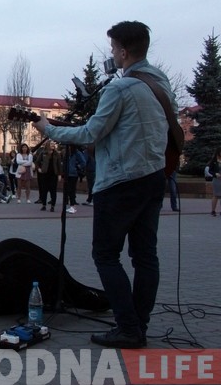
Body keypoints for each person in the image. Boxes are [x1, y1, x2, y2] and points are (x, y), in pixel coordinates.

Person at [32, 20, 177, 349]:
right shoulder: (159, 81)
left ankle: (127, 327)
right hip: (154, 177)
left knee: (106, 255)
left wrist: (48, 129)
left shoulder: (120, 88)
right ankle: (138, 324)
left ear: (124, 51)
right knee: (145, 257)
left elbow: (89, 133)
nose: (111, 54)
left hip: (122, 182)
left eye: (113, 49)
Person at [36, 141, 61, 212]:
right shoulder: (43, 153)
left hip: (53, 175)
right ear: (48, 145)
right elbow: (37, 162)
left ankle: (52, 205)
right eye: (51, 144)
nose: (53, 145)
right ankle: (44, 205)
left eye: (54, 144)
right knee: (44, 190)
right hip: (45, 174)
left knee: (53, 191)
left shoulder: (56, 154)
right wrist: (39, 169)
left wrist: (59, 174)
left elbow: (59, 165)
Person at [64, 145, 87, 213]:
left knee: (72, 190)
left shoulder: (77, 153)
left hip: (74, 174)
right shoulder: (68, 153)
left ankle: (73, 206)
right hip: (68, 173)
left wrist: (77, 167)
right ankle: (71, 205)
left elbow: (83, 162)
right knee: (68, 189)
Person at [205, 148, 221, 217]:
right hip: (216, 180)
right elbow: (210, 170)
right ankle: (213, 210)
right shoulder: (214, 161)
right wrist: (215, 174)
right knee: (216, 195)